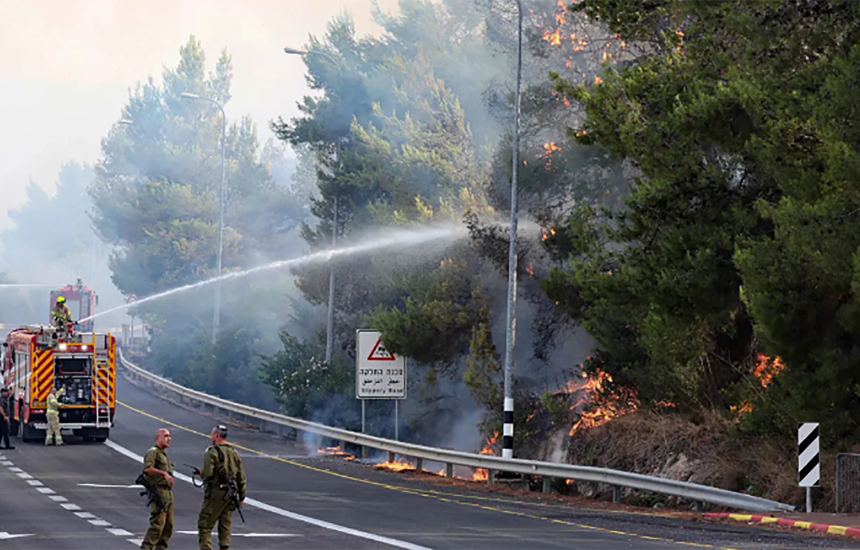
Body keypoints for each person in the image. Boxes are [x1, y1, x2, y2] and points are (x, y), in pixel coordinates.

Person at [197, 425, 246, 550]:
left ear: (217, 435)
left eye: (212, 434)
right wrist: (241, 497)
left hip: (215, 494)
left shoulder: (211, 452)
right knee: (225, 527)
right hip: (230, 496)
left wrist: (201, 473)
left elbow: (208, 474)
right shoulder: (234, 453)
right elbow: (241, 478)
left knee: (205, 525)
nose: (211, 436)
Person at [141, 428, 174, 550]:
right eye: (165, 436)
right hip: (159, 491)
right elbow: (147, 469)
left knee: (168, 525)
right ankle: (147, 547)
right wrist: (163, 474)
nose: (168, 438)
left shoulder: (163, 454)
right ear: (157, 438)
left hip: (167, 492)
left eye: (169, 436)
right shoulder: (153, 452)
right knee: (157, 524)